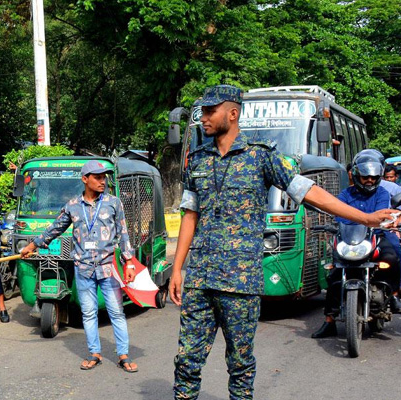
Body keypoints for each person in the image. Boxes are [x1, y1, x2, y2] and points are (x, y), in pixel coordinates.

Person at [169, 85, 398, 400]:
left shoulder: (261, 155)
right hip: (199, 279)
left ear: (232, 113)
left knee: (240, 364)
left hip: (241, 283)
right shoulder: (197, 160)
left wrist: (364, 217)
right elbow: (190, 214)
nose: (204, 118)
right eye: (203, 112)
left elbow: (309, 192)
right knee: (186, 361)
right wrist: (178, 268)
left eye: (211, 111)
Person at [20, 160, 139, 373]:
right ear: (85, 179)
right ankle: (95, 353)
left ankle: (123, 355)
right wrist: (32, 245)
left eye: (104, 177)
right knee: (89, 313)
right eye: (97, 177)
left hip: (107, 268)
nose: (103, 181)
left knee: (117, 313)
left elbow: (123, 233)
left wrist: (129, 262)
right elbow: (55, 228)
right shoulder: (73, 205)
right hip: (83, 269)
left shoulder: (114, 203)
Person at [312, 151, 401, 338]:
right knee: (334, 274)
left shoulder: (383, 193)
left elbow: (381, 216)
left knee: (393, 257)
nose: (369, 180)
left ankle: (393, 294)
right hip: (350, 240)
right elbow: (338, 215)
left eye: (373, 177)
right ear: (357, 176)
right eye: (365, 176)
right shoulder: (346, 194)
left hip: (376, 236)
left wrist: (381, 222)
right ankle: (329, 321)